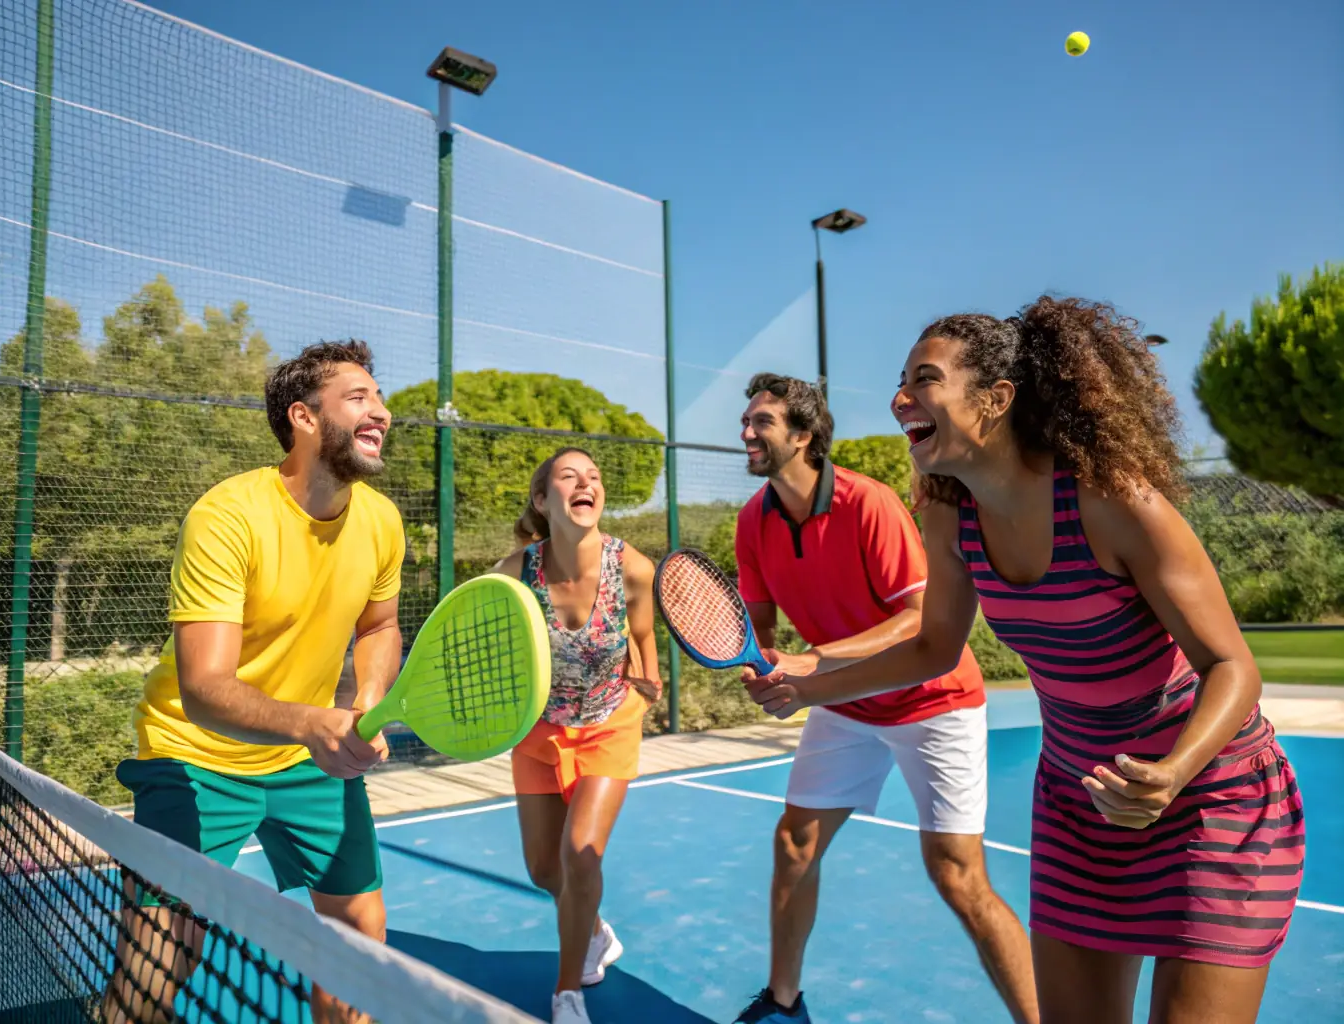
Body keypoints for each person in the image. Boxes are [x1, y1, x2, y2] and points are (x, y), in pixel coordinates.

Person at [746, 300, 1306, 1024]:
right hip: (1078, 804)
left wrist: (1169, 775)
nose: (899, 399)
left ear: (996, 399)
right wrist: (807, 688)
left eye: (924, 380)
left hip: (1211, 798)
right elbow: (930, 648)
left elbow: (1232, 667)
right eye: (900, 381)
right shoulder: (948, 512)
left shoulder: (1111, 500)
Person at [104, 340, 405, 1024]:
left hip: (309, 760)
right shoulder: (226, 517)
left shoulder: (381, 521)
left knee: (359, 939)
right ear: (303, 418)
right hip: (196, 756)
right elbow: (205, 685)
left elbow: (379, 627)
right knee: (157, 966)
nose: (381, 412)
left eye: (379, 398)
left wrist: (366, 702)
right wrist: (308, 722)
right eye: (359, 398)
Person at [731, 373, 1037, 1024]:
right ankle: (783, 1003)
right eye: (746, 420)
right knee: (793, 845)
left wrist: (812, 660)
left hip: (933, 701)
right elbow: (756, 628)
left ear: (804, 436)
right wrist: (758, 665)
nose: (746, 431)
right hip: (845, 705)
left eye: (760, 422)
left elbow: (919, 621)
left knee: (957, 875)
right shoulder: (752, 522)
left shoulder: (864, 503)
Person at [491, 446, 662, 1024]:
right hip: (538, 732)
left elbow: (642, 637)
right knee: (545, 872)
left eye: (594, 476)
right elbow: (495, 650)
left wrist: (650, 675)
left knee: (579, 855)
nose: (586, 483)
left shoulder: (632, 567)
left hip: (609, 724)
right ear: (544, 501)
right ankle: (593, 927)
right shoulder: (514, 574)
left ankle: (568, 993)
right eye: (569, 477)